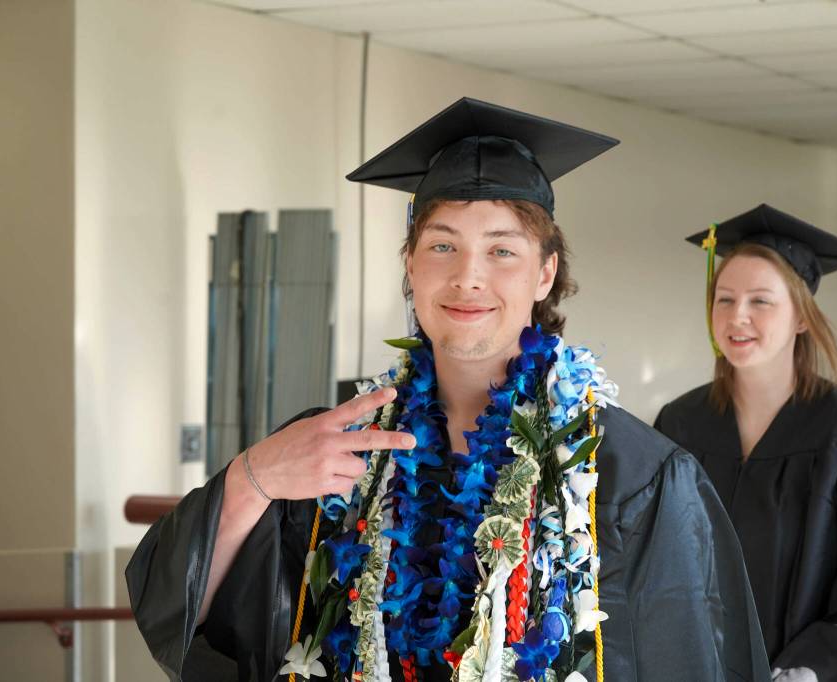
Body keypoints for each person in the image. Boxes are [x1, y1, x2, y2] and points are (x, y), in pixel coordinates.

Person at [127, 98, 770, 682]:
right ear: (409, 265)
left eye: (502, 252)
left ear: (545, 273)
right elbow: (183, 617)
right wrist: (254, 477)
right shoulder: (333, 450)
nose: (468, 277)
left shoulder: (630, 475)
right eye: (442, 245)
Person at [654, 204, 837, 680]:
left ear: (801, 318)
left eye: (761, 301)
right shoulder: (680, 425)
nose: (738, 317)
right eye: (725, 299)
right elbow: (652, 567)